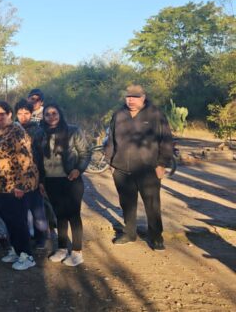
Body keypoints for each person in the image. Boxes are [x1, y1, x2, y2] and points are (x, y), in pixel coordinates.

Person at [104, 84, 173, 251]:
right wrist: (110, 161)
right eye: (129, 97)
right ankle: (129, 233)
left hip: (148, 169)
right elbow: (111, 138)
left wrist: (162, 163)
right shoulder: (119, 114)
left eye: (135, 97)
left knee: (152, 204)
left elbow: (166, 140)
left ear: (143, 97)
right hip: (121, 168)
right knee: (127, 203)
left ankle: (156, 236)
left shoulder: (155, 114)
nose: (131, 100)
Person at [0, 101, 38, 270]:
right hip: (0, 186)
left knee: (18, 221)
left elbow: (25, 160)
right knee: (8, 219)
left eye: (1, 113)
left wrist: (20, 186)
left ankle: (27, 255)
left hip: (15, 186)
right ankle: (16, 250)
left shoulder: (16, 131)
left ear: (9, 114)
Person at [39, 104, 90, 266]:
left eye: (54, 113)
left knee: (73, 215)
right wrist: (41, 181)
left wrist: (78, 169)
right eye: (47, 114)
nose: (51, 116)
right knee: (59, 215)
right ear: (44, 117)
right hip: (51, 181)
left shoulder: (73, 131)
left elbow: (85, 153)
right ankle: (62, 248)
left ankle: (76, 252)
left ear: (60, 114)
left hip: (71, 179)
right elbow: (39, 160)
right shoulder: (41, 134)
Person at [15, 100, 49, 250]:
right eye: (20, 113)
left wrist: (42, 180)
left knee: (38, 211)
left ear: (31, 114)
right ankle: (26, 237)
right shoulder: (12, 130)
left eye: (26, 113)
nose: (23, 116)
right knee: (21, 212)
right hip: (16, 179)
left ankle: (42, 238)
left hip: (34, 177)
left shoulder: (38, 131)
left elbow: (43, 157)